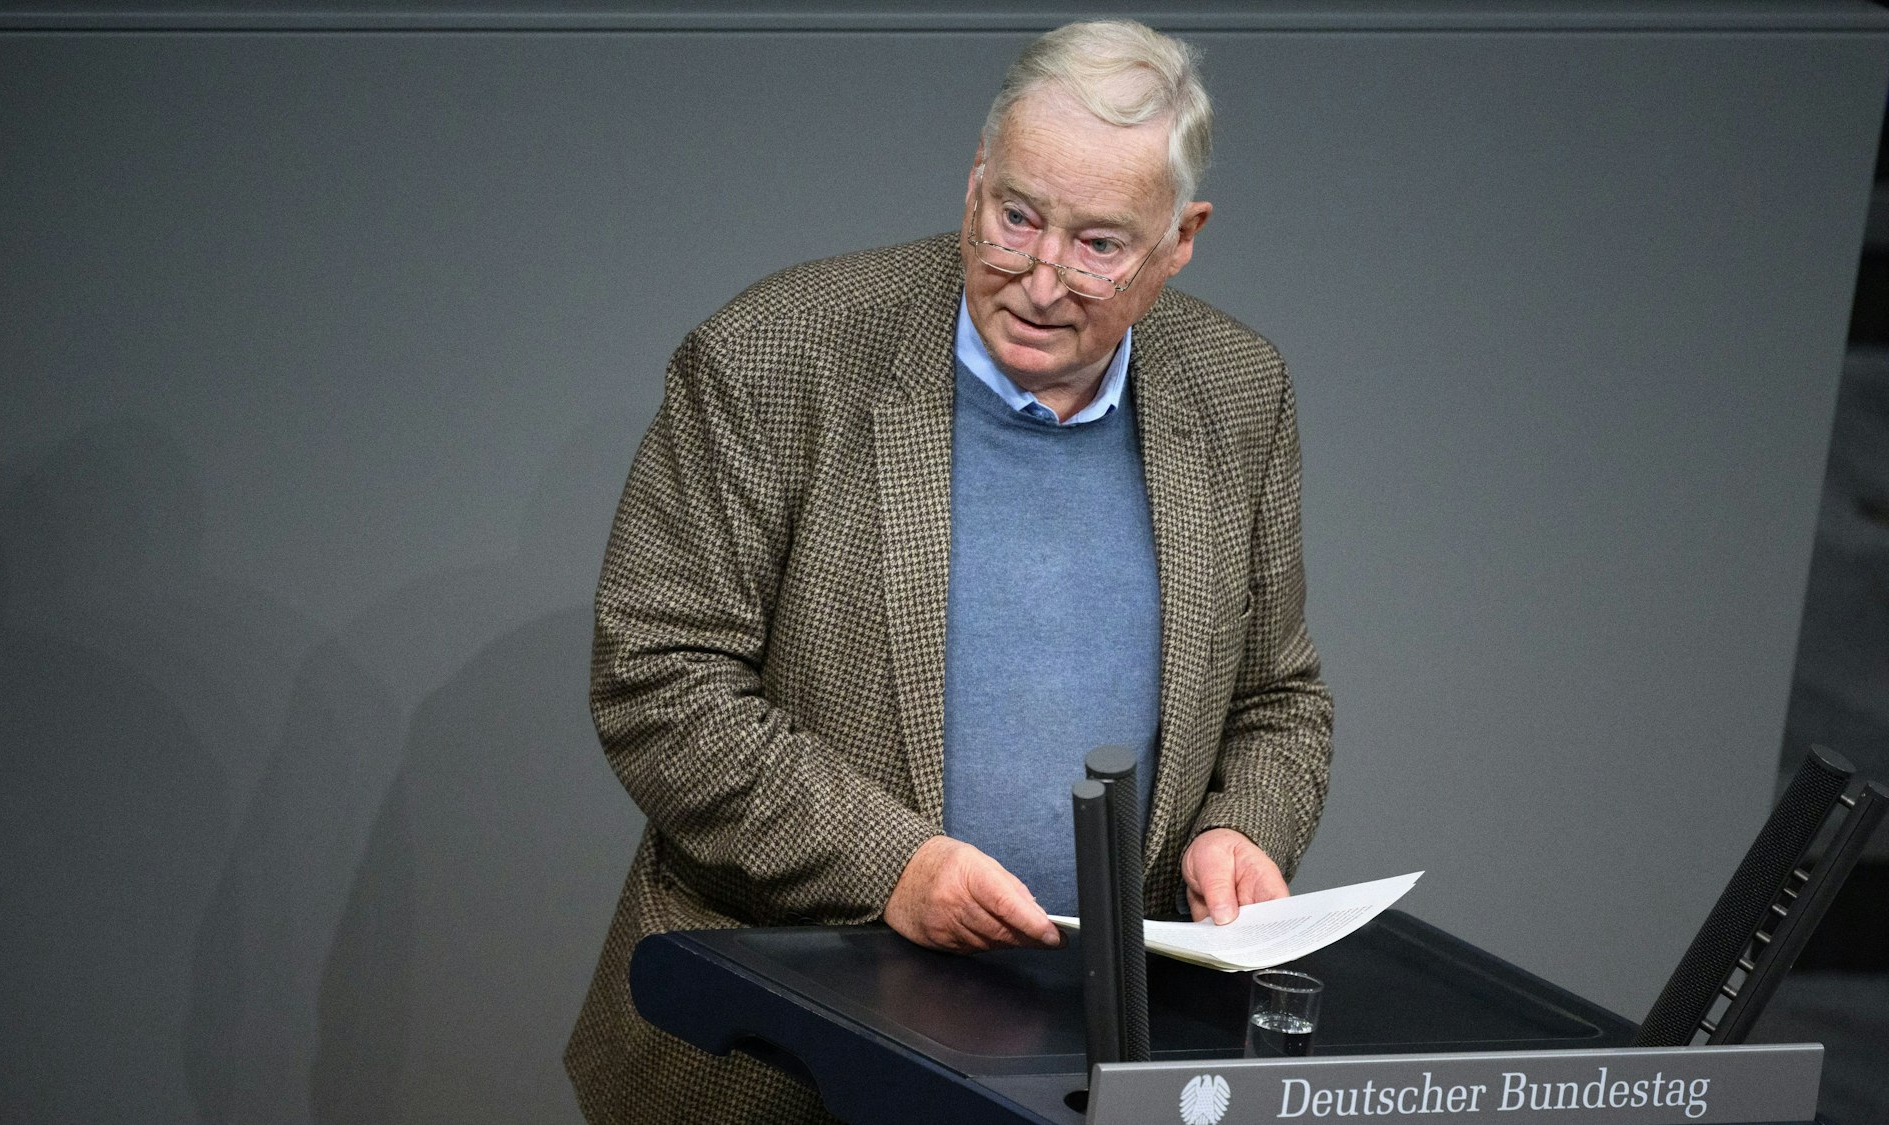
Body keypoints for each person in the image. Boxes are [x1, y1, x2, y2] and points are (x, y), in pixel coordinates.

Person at [565, 19, 1332, 1125]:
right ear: (974, 185)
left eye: (1099, 243)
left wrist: (1241, 830)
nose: (1038, 275)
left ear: (1179, 239)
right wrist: (892, 865)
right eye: (1014, 216)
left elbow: (1276, 698)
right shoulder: (777, 356)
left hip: (1090, 1059)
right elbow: (658, 681)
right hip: (779, 1052)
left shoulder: (1238, 391)